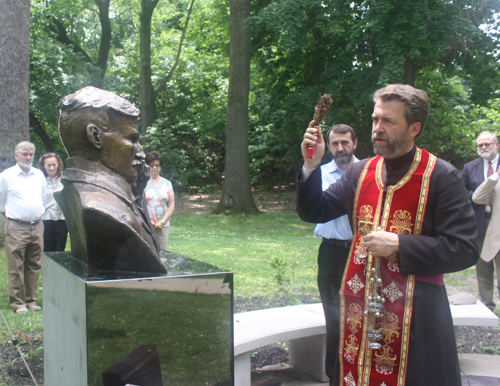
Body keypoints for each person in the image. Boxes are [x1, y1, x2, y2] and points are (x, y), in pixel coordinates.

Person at [297, 84, 478, 386]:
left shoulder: (441, 176)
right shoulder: (360, 172)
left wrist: (400, 244)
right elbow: (315, 211)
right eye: (374, 119)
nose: (377, 129)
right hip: (361, 311)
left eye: (388, 121)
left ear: (414, 128)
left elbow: (465, 248)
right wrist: (311, 166)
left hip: (417, 318)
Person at [55, 86, 166, 273]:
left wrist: (137, 195)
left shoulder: (75, 191)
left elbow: (154, 256)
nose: (140, 151)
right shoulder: (98, 207)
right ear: (96, 137)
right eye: (132, 138)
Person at [313, 124, 358, 386]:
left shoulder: (372, 170)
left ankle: (361, 372)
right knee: (334, 317)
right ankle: (334, 376)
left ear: (354, 143)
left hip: (361, 251)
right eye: (334, 144)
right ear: (328, 147)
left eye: (345, 142)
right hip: (331, 252)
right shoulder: (319, 174)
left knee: (362, 314)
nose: (340, 148)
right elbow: (320, 205)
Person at [0, 141, 47, 314]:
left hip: (37, 226)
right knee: (16, 265)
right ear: (16, 156)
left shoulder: (39, 175)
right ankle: (18, 303)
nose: (28, 158)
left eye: (30, 155)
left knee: (34, 264)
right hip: (16, 227)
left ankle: (31, 300)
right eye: (24, 154)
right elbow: (1, 202)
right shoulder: (6, 176)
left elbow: (43, 198)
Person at [462, 131, 500, 311]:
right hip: (479, 220)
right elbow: (462, 192)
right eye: (480, 145)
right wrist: (479, 197)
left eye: (488, 144)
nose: (484, 147)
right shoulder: (470, 167)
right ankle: (487, 305)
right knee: (483, 264)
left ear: (497, 145)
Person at [145, 151, 175, 251]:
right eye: (151, 165)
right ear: (147, 166)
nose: (154, 168)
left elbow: (171, 205)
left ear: (160, 167)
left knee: (162, 255)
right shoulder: (142, 183)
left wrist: (162, 221)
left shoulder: (167, 184)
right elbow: (138, 205)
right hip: (146, 225)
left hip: (162, 226)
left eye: (157, 165)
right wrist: (148, 220)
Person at [38, 153, 68, 252]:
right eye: (48, 165)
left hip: (62, 220)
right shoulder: (39, 180)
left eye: (54, 165)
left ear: (58, 164)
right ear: (44, 166)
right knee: (47, 250)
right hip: (45, 220)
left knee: (60, 250)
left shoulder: (65, 179)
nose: (51, 168)